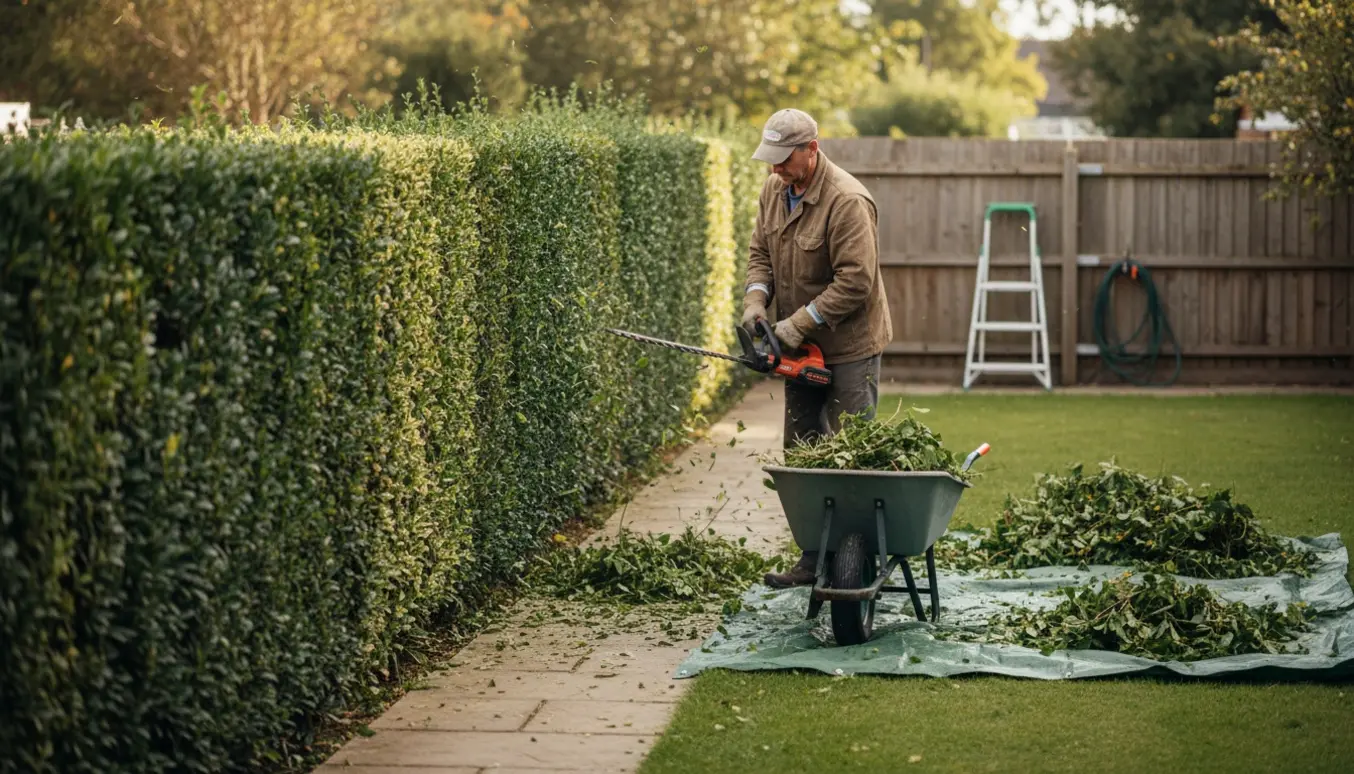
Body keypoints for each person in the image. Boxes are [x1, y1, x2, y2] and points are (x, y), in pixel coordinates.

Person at [741, 108, 893, 588]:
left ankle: (856, 567)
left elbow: (857, 280)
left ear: (812, 149)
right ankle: (812, 559)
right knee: (803, 452)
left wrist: (798, 324)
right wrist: (756, 300)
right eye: (771, 160)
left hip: (849, 346)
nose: (775, 169)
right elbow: (760, 253)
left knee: (852, 458)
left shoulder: (847, 200)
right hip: (799, 345)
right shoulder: (774, 190)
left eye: (784, 159)